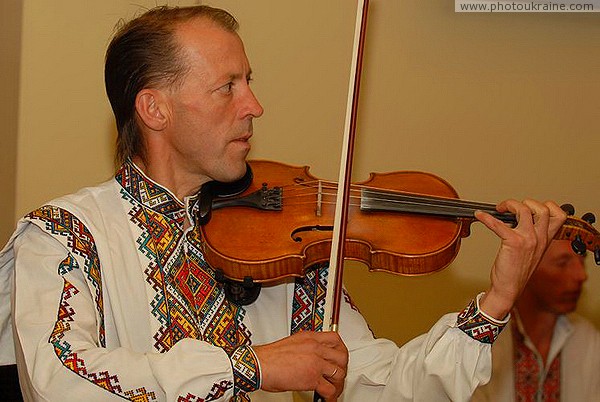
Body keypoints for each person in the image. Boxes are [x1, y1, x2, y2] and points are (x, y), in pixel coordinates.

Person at [0, 5, 566, 401]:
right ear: (155, 109)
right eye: (228, 86)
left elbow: (380, 385)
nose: (254, 104)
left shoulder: (278, 250)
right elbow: (61, 380)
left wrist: (495, 301)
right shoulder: (65, 235)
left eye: (249, 80)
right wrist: (252, 365)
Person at [471, 239, 600, 401]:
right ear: (526, 270)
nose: (582, 275)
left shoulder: (588, 339)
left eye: (582, 261)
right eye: (562, 263)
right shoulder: (481, 339)